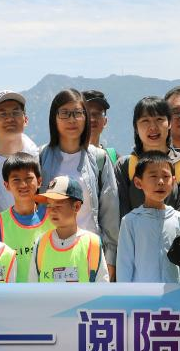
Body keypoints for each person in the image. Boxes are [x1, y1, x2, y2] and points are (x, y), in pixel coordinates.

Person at [39, 89, 120, 279]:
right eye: (65, 113)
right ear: (54, 118)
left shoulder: (99, 158)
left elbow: (110, 212)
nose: (72, 119)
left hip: (89, 252)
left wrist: (110, 259)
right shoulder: (41, 156)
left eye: (77, 113)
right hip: (50, 251)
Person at [116, 152, 180, 283]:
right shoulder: (130, 221)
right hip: (142, 294)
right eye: (153, 176)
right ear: (138, 182)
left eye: (166, 176)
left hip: (174, 293)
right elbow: (124, 265)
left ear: (173, 181)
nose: (161, 182)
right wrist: (126, 294)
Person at [115, 96, 180, 217]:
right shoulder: (125, 166)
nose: (153, 127)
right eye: (145, 121)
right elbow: (122, 213)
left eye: (159, 119)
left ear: (169, 123)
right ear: (136, 128)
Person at [29, 176, 110, 283]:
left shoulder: (92, 243)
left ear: (76, 206)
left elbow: (102, 287)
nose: (52, 211)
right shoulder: (41, 243)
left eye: (58, 205)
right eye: (49, 205)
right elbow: (33, 286)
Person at [0, 91, 40, 211]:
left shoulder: (40, 158)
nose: (10, 118)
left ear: (26, 120)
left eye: (16, 113)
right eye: (2, 114)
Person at [0, 153, 48, 283]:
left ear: (39, 182)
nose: (23, 185)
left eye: (28, 178)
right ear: (6, 185)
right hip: (14, 293)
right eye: (16, 180)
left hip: (48, 292)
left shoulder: (52, 216)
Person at [82, 89, 116, 165]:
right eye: (87, 114)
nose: (92, 119)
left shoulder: (114, 158)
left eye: (98, 114)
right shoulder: (67, 157)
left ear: (105, 121)